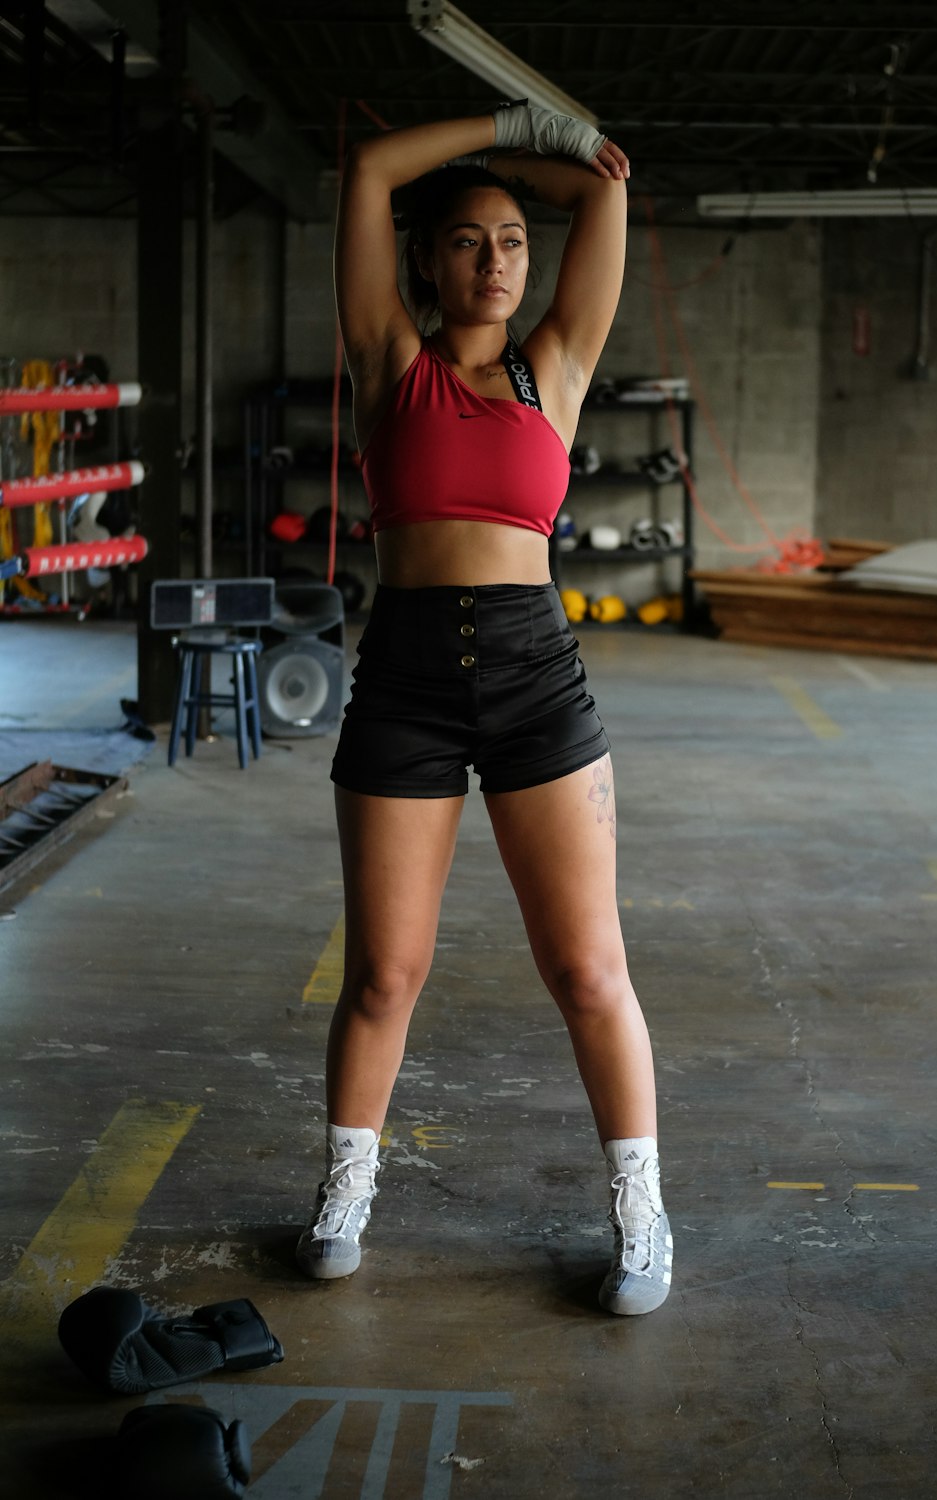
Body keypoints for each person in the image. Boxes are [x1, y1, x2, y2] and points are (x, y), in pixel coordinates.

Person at [296, 102, 672, 1316]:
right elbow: (369, 166)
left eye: (513, 239)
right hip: (403, 678)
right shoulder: (386, 359)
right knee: (384, 976)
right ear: (424, 259)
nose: (497, 259)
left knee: (585, 967)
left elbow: (601, 194)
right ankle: (346, 1190)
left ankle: (641, 1215)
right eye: (466, 239)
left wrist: (534, 168)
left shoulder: (551, 364)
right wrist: (504, 129)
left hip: (531, 675)